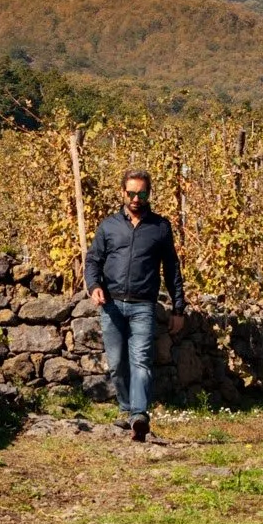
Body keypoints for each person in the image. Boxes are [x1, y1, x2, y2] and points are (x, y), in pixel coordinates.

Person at [84, 168, 186, 442]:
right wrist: (94, 287)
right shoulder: (108, 226)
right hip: (112, 305)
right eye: (131, 193)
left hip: (143, 305)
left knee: (141, 362)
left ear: (148, 194)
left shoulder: (160, 227)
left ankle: (140, 415)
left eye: (141, 193)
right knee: (117, 364)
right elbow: (93, 260)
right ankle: (127, 409)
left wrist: (178, 308)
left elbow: (172, 269)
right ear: (123, 193)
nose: (136, 198)